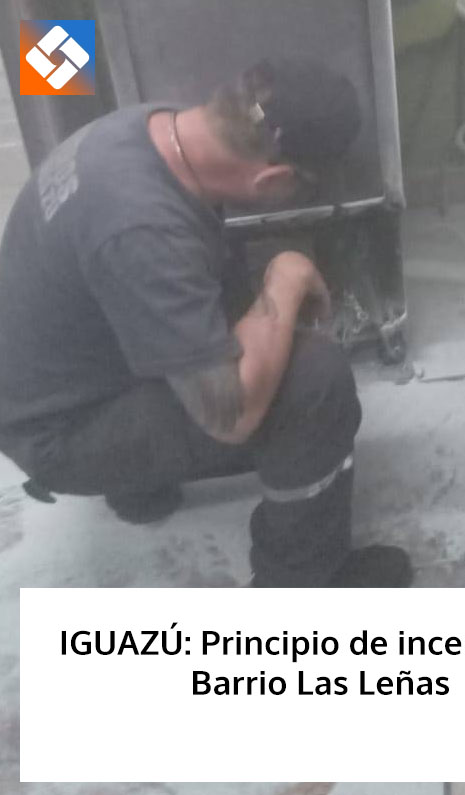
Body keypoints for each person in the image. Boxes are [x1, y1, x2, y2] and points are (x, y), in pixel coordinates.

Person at [0, 57, 412, 589]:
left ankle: (139, 487)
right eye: (304, 190)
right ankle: (301, 581)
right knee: (314, 381)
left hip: (60, 374)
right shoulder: (142, 229)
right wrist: (285, 277)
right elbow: (231, 418)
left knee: (231, 295)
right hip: (61, 435)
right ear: (274, 177)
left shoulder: (150, 128)